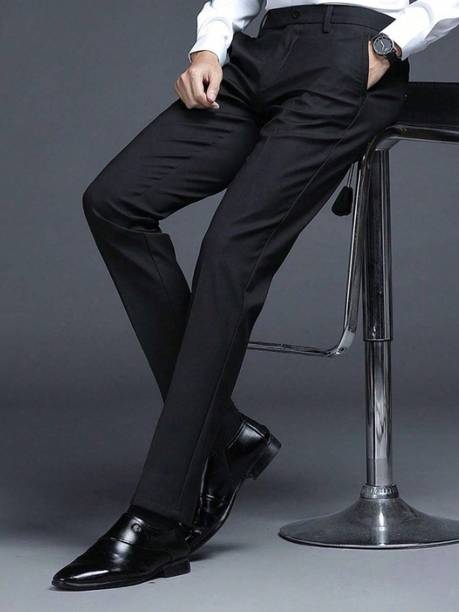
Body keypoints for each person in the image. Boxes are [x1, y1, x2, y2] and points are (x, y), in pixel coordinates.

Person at [52, 0, 459, 591]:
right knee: (116, 201)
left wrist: (389, 46)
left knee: (230, 253)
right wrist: (209, 47)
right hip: (260, 55)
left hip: (354, 52)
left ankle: (164, 514)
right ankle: (223, 432)